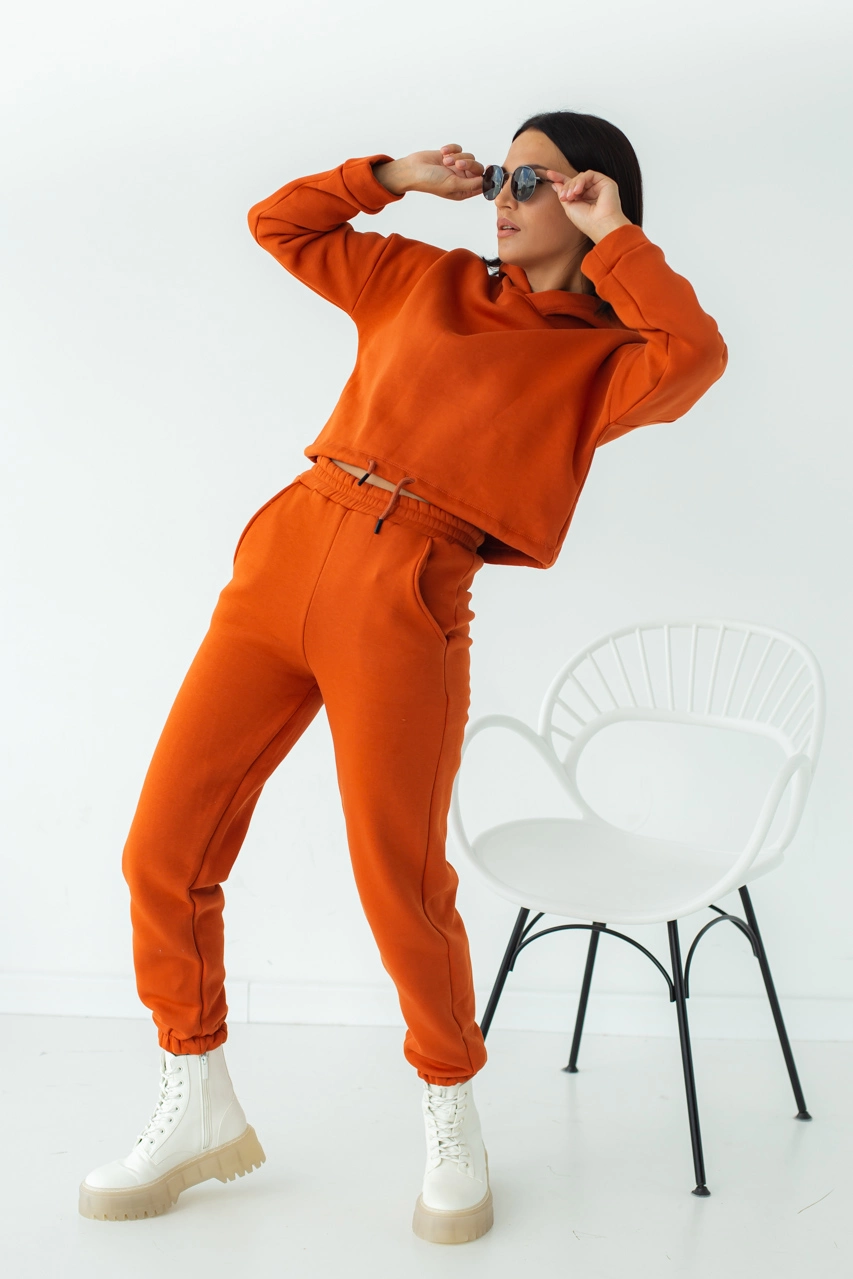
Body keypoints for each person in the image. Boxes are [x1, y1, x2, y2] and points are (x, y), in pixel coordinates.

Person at [78, 110, 728, 1244]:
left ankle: (449, 1104)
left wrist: (616, 238)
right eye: (503, 174)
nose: (507, 195)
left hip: (407, 590)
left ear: (593, 198)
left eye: (538, 181)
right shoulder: (421, 279)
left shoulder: (601, 360)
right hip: (288, 550)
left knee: (399, 879)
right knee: (162, 848)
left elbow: (696, 357)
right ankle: (196, 1093)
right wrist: (392, 175)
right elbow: (279, 223)